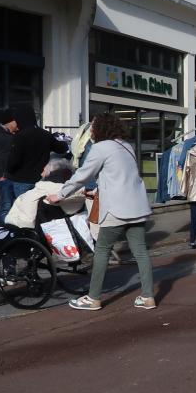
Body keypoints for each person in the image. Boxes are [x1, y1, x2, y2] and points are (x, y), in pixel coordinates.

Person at [47, 113, 155, 311]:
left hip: (115, 209)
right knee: (140, 251)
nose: (91, 130)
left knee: (102, 251)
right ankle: (148, 296)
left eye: (93, 127)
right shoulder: (126, 146)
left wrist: (60, 194)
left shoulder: (100, 148)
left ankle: (94, 298)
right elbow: (122, 176)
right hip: (137, 206)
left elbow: (82, 175)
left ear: (100, 128)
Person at [6, 108, 68, 199]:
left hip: (22, 180)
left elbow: (13, 160)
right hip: (41, 180)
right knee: (38, 209)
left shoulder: (20, 136)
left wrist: (8, 171)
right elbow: (62, 148)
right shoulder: (45, 134)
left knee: (23, 208)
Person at [5, 158, 84, 228]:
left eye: (43, 171)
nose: (41, 173)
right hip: (71, 225)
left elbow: (26, 221)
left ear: (49, 173)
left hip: (44, 230)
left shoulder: (38, 191)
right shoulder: (78, 191)